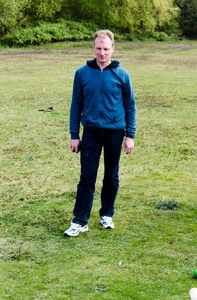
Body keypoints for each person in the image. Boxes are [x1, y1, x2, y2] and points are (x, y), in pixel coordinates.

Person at [64, 30, 136, 237]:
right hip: (91, 132)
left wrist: (130, 135)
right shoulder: (82, 73)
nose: (102, 53)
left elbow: (130, 106)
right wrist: (74, 134)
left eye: (106, 49)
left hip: (115, 133)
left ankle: (106, 214)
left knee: (111, 176)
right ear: (93, 48)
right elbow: (75, 105)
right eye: (98, 48)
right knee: (87, 176)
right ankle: (80, 220)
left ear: (112, 48)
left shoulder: (122, 74)